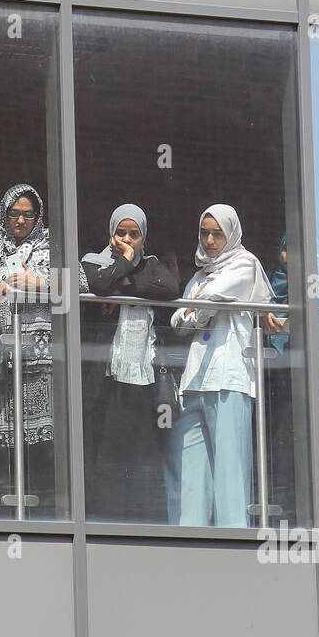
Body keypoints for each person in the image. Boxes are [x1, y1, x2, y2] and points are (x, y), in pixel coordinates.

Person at [0, 184, 87, 518]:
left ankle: (45, 516)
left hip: (42, 362)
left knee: (44, 445)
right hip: (2, 360)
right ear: (5, 213)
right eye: (14, 213)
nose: (20, 220)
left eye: (27, 214)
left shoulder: (51, 244)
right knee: (5, 443)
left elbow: (82, 287)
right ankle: (6, 515)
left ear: (37, 215)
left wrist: (41, 285)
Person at [168, 204, 273, 527]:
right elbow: (177, 321)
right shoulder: (200, 274)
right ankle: (189, 541)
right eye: (205, 233)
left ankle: (235, 544)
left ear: (231, 235)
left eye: (217, 234)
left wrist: (196, 309)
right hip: (196, 380)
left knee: (230, 470)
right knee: (191, 471)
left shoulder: (245, 263)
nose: (210, 241)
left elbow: (208, 300)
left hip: (230, 377)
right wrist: (197, 309)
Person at [80, 204, 179, 522]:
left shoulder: (151, 265)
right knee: (108, 456)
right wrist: (123, 261)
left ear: (143, 237)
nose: (127, 238)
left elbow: (171, 288)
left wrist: (123, 284)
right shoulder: (93, 260)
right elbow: (98, 283)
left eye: (133, 234)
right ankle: (106, 524)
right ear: (111, 235)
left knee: (144, 455)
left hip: (144, 381)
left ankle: (145, 525)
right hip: (107, 379)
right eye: (120, 233)